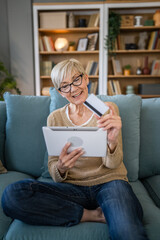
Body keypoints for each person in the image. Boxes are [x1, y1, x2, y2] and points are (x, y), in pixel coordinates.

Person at [2, 59, 149, 240]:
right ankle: (91, 215)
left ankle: (114, 212)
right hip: (72, 190)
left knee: (127, 230)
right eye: (65, 86)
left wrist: (112, 141)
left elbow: (113, 164)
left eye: (76, 80)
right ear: (60, 92)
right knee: (12, 195)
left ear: (86, 78)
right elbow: (55, 173)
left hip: (110, 183)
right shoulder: (54, 118)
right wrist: (61, 167)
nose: (72, 88)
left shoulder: (106, 110)